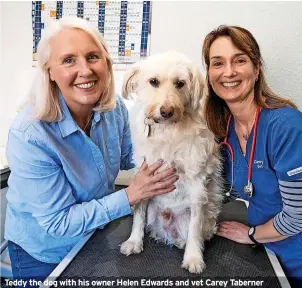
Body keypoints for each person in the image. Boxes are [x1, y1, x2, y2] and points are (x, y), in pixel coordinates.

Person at [5, 16, 178, 286]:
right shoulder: (30, 135)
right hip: (43, 253)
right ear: (50, 71)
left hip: (94, 239)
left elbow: (129, 157)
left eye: (93, 56)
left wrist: (167, 132)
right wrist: (132, 195)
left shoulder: (114, 109)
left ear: (106, 63)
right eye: (69, 60)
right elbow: (58, 223)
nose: (85, 71)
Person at [202, 25, 302, 288]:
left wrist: (252, 235)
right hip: (268, 253)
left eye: (239, 60)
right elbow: (224, 188)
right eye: (218, 63)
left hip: (300, 260)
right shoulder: (224, 129)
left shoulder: (286, 126)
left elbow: (301, 216)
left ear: (257, 68)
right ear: (209, 74)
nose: (228, 72)